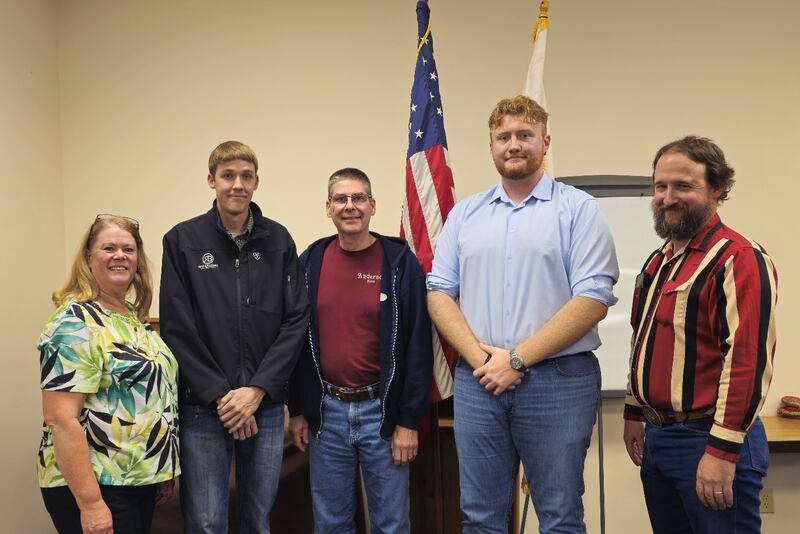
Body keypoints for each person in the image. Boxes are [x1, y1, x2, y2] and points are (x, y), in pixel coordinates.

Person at [427, 95, 619, 533]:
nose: (514, 145)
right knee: (479, 517)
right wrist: (485, 363)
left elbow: (592, 298)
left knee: (559, 515)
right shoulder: (466, 214)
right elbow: (439, 291)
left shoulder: (578, 209)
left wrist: (517, 360)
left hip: (558, 382)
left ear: (545, 141)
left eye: (524, 135)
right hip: (480, 383)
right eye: (503, 137)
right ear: (491, 146)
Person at [623, 136, 777, 533]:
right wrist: (634, 412)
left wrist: (722, 453)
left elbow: (747, 362)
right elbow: (642, 340)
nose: (668, 197)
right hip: (659, 438)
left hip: (708, 440)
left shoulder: (738, 258)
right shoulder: (659, 262)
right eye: (660, 186)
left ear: (717, 190)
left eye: (683, 186)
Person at [159, 141, 309, 533]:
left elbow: (295, 321)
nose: (237, 184)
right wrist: (224, 396)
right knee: (206, 522)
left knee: (257, 519)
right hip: (205, 407)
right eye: (228, 176)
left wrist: (256, 391)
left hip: (266, 406)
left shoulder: (279, 240)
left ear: (257, 182)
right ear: (212, 181)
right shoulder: (182, 241)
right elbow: (177, 327)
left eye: (246, 176)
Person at [288, 167, 433, 533]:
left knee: (391, 523)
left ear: (372, 206)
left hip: (382, 416)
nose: (349, 206)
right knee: (332, 524)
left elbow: (418, 345)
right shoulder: (311, 262)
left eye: (358, 199)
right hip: (327, 415)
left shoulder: (400, 264)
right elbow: (294, 341)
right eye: (341, 199)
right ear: (328, 208)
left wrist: (408, 421)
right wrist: (299, 410)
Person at [38, 214, 179, 534]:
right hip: (96, 485)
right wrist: (90, 504)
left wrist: (159, 468)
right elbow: (61, 419)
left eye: (128, 250)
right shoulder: (75, 322)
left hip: (133, 480)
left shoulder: (131, 318)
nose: (120, 256)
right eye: (109, 248)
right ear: (88, 258)